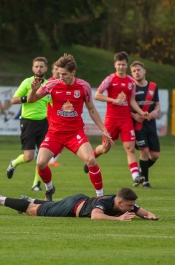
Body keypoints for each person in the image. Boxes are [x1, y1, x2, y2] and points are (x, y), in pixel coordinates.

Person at [28, 54, 114, 201]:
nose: (61, 77)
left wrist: (104, 130)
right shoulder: (51, 84)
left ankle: (100, 197)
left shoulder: (84, 86)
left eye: (65, 74)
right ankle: (49, 188)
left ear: (73, 72)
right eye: (59, 74)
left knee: (91, 160)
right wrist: (34, 90)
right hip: (55, 133)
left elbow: (92, 109)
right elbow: (31, 100)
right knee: (40, 163)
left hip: (75, 133)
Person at [89, 51, 148, 187]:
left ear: (126, 65)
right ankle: (91, 158)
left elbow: (131, 100)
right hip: (111, 119)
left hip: (126, 119)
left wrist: (141, 112)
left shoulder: (131, 81)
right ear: (115, 65)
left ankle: (135, 176)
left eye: (123, 64)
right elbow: (97, 95)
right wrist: (113, 100)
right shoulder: (110, 79)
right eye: (118, 64)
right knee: (105, 148)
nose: (121, 67)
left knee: (130, 148)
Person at [0, 187, 160, 221]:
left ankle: (28, 199)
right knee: (32, 211)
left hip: (78, 200)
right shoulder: (105, 203)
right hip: (71, 207)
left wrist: (149, 215)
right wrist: (119, 219)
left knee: (44, 206)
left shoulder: (122, 202)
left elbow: (139, 210)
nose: (132, 208)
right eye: (129, 206)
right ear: (120, 202)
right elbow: (95, 216)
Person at [6, 57, 49, 191]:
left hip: (45, 123)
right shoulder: (27, 82)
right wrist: (28, 98)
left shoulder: (49, 85)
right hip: (28, 122)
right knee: (29, 157)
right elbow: (14, 100)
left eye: (41, 66)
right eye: (36, 66)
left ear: (46, 68)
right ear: (32, 68)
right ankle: (14, 163)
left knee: (43, 157)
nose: (39, 69)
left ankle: (36, 184)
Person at [130, 61, 160, 188]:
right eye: (134, 71)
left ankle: (141, 172)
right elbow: (126, 107)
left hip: (151, 125)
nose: (136, 73)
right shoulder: (131, 88)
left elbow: (157, 105)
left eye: (138, 70)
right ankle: (145, 182)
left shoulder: (153, 86)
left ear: (144, 71)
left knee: (155, 155)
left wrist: (155, 112)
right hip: (138, 126)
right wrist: (134, 115)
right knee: (144, 152)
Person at [47, 62, 62, 167]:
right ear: (52, 70)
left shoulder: (64, 82)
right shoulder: (49, 83)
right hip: (50, 117)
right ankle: (49, 160)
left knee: (62, 141)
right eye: (55, 69)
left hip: (61, 117)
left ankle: (52, 160)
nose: (57, 71)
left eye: (59, 69)